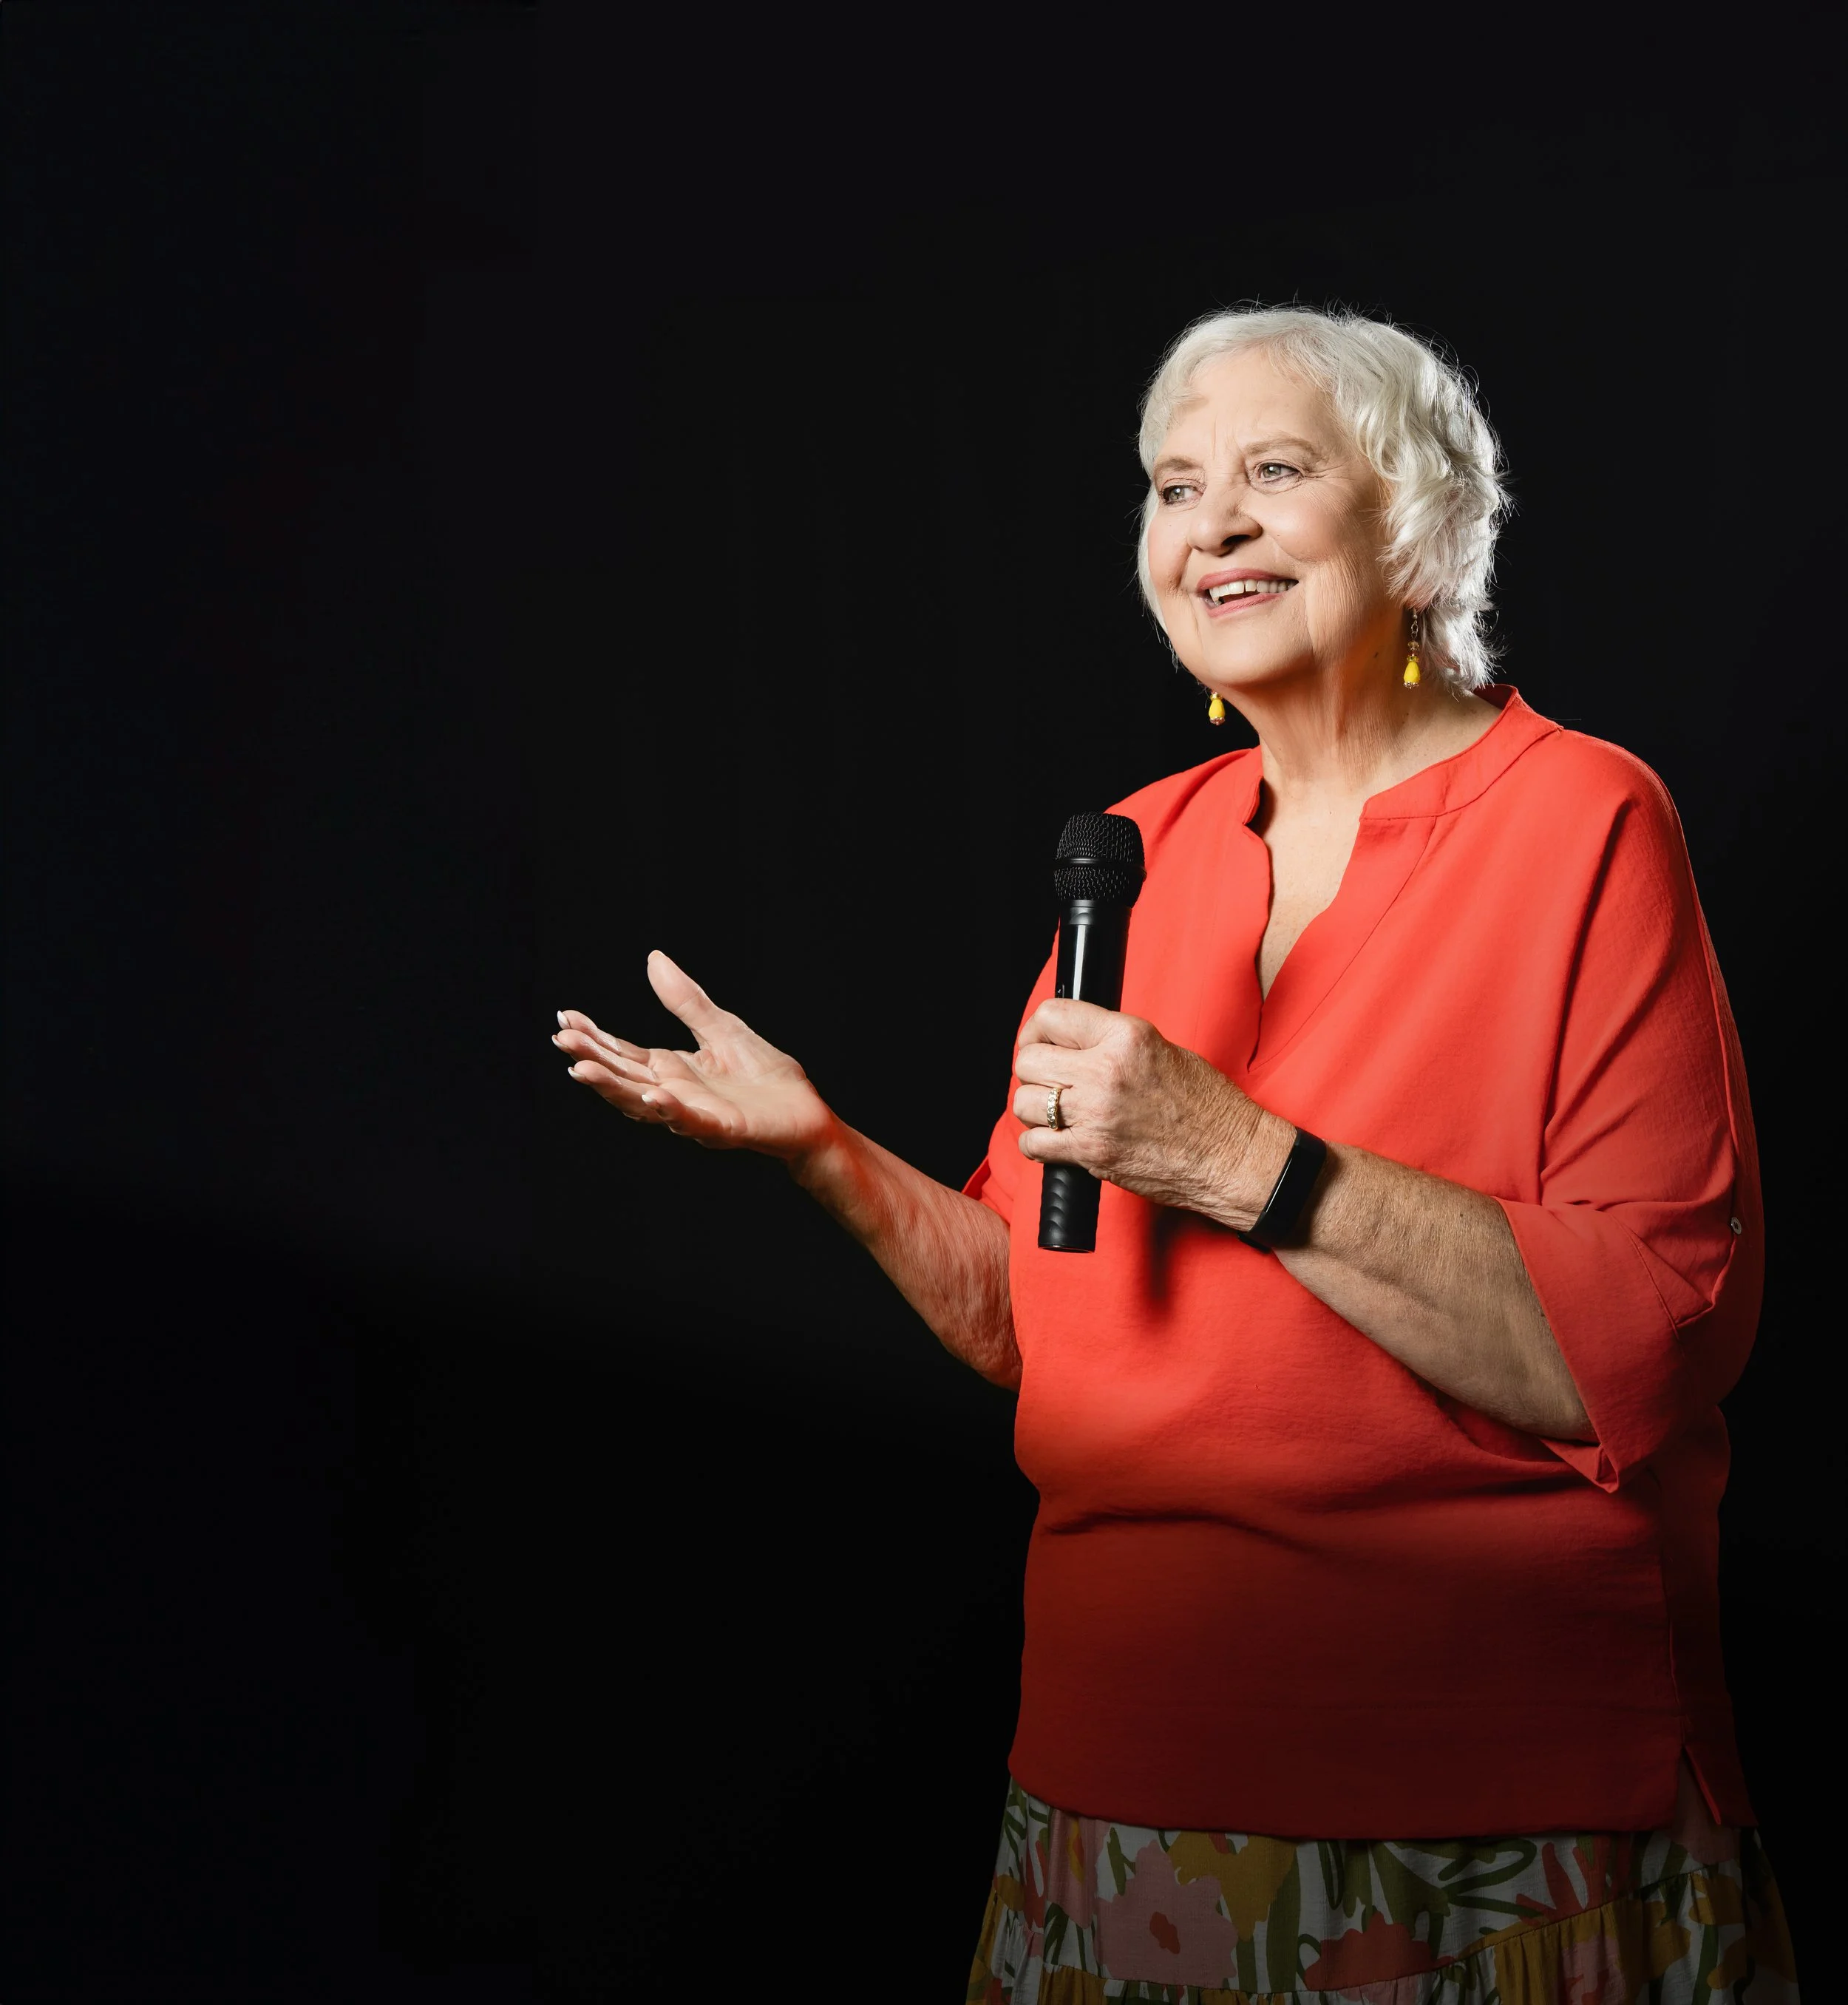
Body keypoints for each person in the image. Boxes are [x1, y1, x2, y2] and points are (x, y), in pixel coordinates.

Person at [551, 308, 1798, 2001]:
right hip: (1111, 1796)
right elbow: (1035, 1322)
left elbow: (1642, 1348)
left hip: (1483, 1816)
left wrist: (1234, 1157)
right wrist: (822, 1148)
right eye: (1168, 484)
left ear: (1415, 520)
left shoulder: (1583, 822)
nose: (1203, 522)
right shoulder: (1131, 852)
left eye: (1270, 473)